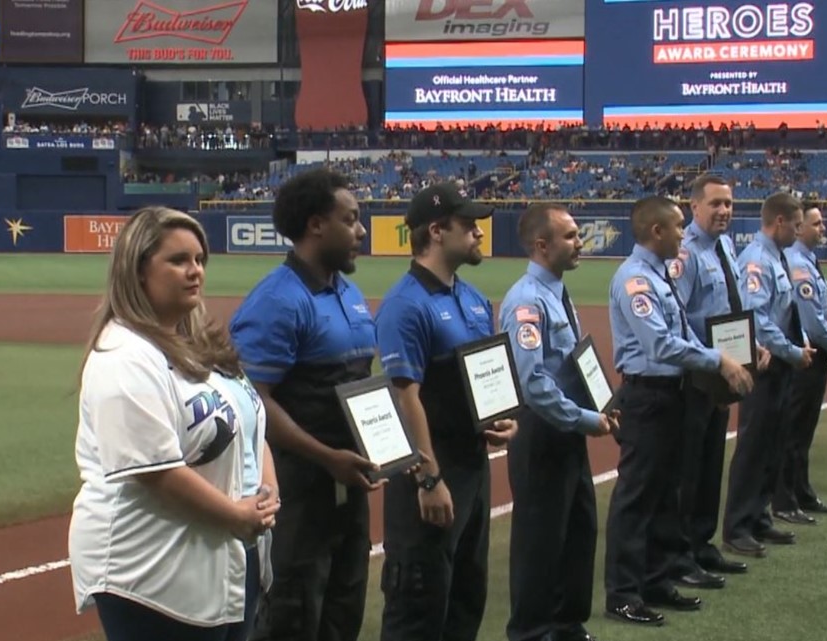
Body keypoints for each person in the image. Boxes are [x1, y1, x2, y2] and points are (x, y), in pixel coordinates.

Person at [69, 207, 279, 641]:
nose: (195, 271)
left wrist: (264, 494)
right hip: (149, 569)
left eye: (200, 259)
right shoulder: (123, 356)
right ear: (138, 269)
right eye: (178, 260)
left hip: (220, 555)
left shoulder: (200, 343)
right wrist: (236, 515)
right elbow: (156, 471)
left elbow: (249, 422)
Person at [230, 169, 383, 641]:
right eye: (351, 219)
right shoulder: (278, 300)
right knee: (292, 613)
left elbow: (357, 383)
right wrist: (326, 457)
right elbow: (255, 401)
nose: (361, 231)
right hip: (297, 492)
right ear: (317, 225)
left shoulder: (349, 292)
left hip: (348, 484)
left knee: (344, 606)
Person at [375, 182, 518, 641]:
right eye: (469, 225)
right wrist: (428, 478)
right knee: (418, 604)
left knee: (465, 597)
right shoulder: (405, 304)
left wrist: (500, 416)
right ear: (436, 231)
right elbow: (404, 397)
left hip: (473, 468)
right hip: (431, 472)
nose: (478, 233)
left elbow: (480, 378)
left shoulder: (474, 299)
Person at [604, 196, 752, 627]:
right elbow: (660, 344)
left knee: (665, 491)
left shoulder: (660, 274)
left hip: (671, 393)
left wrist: (716, 360)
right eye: (678, 227)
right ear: (656, 232)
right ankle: (623, 593)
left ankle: (655, 578)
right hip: (647, 396)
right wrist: (719, 361)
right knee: (637, 496)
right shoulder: (635, 279)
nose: (684, 235)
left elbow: (682, 330)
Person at [500, 203, 617, 641]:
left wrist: (598, 405)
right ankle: (530, 631)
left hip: (568, 429)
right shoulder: (528, 302)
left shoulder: (555, 293)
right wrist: (587, 418)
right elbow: (534, 384)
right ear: (541, 245)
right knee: (539, 539)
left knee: (577, 529)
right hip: (543, 432)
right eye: (570, 235)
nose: (579, 241)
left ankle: (567, 624)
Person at [666, 175, 758, 581]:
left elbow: (732, 307)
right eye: (716, 203)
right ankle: (680, 555)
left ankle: (703, 544)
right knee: (687, 471)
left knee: (710, 464)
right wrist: (715, 360)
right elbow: (678, 318)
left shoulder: (726, 246)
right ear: (694, 207)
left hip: (724, 368)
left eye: (729, 204)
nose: (724, 211)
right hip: (698, 373)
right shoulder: (684, 254)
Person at [721, 192, 815, 557]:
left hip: (780, 364)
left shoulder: (776, 256)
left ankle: (758, 515)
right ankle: (738, 525)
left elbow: (785, 310)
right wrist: (792, 351)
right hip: (764, 364)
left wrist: (799, 343)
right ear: (779, 221)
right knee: (754, 445)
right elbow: (757, 318)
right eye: (795, 224)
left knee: (772, 443)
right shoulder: (758, 260)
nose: (798, 230)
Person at [772, 203, 827, 526]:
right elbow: (813, 320)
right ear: (799, 227)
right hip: (803, 357)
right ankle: (784, 499)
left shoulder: (807, 261)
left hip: (813, 356)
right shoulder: (796, 264)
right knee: (793, 432)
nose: (822, 228)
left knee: (803, 432)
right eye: (815, 223)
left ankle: (801, 492)